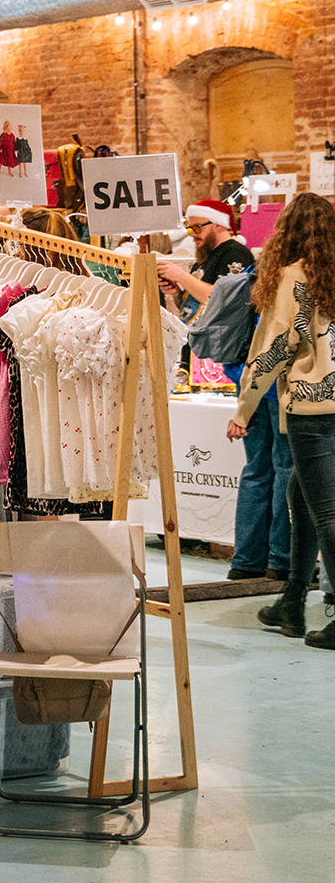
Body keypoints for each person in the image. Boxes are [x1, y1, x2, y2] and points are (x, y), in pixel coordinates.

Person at [230, 193, 335, 648]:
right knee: (303, 497)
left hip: (313, 409)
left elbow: (273, 350)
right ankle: (292, 601)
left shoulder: (294, 278)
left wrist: (244, 409)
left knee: (327, 512)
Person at [159, 199, 255, 309]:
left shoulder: (235, 253)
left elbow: (224, 301)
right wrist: (177, 293)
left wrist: (181, 276)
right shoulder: (205, 255)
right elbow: (192, 307)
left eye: (197, 228)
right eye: (190, 229)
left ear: (218, 224)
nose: (192, 235)